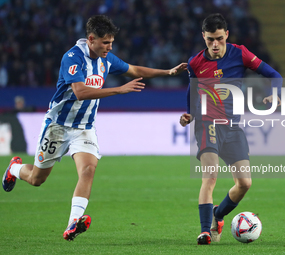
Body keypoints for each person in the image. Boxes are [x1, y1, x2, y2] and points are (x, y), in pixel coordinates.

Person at [2, 15, 187, 241]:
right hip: (58, 127)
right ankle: (14, 169)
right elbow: (80, 92)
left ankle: (72, 224)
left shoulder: (105, 59)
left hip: (84, 128)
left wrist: (167, 72)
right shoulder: (72, 58)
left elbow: (134, 68)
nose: (109, 47)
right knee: (36, 179)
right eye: (105, 43)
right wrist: (118, 90)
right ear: (91, 39)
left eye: (111, 43)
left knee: (88, 170)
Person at [179, 13, 281, 245]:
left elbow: (274, 75)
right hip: (207, 124)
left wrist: (274, 94)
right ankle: (206, 230)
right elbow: (192, 90)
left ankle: (218, 215)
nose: (215, 45)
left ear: (226, 34)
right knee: (211, 175)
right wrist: (189, 113)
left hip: (233, 127)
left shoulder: (240, 53)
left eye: (219, 39)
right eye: (210, 40)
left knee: (245, 183)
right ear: (203, 37)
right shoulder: (195, 62)